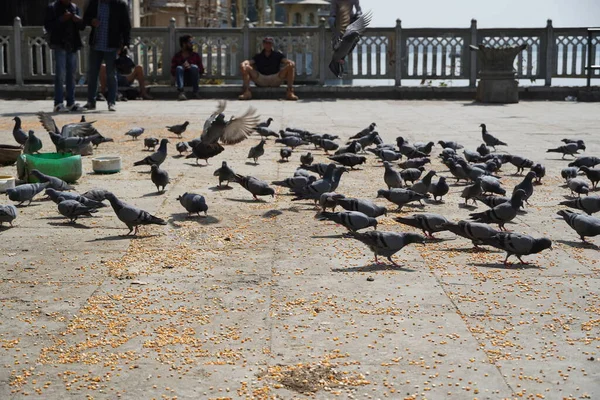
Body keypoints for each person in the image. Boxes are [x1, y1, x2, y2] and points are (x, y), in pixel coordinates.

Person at [83, 0, 131, 112]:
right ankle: (91, 101)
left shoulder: (119, 5)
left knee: (111, 74)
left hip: (112, 45)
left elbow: (126, 26)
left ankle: (112, 102)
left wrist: (125, 44)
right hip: (96, 44)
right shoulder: (94, 3)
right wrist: (91, 21)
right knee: (93, 74)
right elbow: (85, 19)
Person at [44, 0, 87, 112]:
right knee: (60, 74)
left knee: (71, 75)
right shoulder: (53, 7)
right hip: (59, 44)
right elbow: (48, 26)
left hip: (72, 45)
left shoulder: (74, 7)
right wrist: (62, 19)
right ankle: (58, 103)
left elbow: (82, 27)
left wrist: (78, 20)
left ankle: (70, 102)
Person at [239, 37, 298, 101]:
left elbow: (286, 61)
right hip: (261, 79)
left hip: (275, 79)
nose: (268, 45)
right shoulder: (258, 56)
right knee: (246, 67)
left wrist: (291, 62)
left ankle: (290, 92)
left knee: (290, 66)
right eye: (266, 43)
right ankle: (247, 92)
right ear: (263, 44)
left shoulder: (278, 54)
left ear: (272, 44)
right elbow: (250, 62)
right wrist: (244, 63)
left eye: (269, 43)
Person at [170, 35, 204, 101]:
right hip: (182, 80)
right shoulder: (177, 56)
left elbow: (201, 70)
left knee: (194, 67)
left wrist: (191, 66)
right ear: (184, 44)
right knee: (179, 68)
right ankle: (181, 93)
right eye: (190, 42)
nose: (192, 44)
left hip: (193, 80)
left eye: (192, 42)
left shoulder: (195, 55)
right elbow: (172, 71)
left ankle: (195, 92)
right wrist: (182, 67)